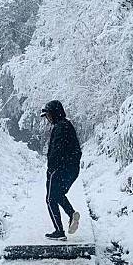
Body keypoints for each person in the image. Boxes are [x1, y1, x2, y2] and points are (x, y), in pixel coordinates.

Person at [41, 100, 81, 241]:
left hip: (59, 169)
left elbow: (57, 150)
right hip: (71, 169)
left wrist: (52, 168)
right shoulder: (67, 125)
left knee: (50, 199)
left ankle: (59, 231)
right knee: (58, 195)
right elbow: (76, 151)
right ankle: (71, 214)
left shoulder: (60, 127)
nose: (47, 118)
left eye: (48, 115)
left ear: (54, 113)